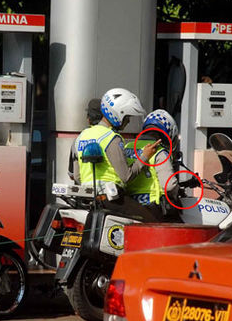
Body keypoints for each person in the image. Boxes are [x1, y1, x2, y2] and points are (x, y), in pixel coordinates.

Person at [72, 88, 161, 220]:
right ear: (118, 114)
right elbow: (126, 176)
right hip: (111, 199)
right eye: (127, 117)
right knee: (152, 222)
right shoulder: (112, 138)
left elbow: (77, 176)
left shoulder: (80, 137)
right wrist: (144, 157)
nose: (128, 121)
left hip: (87, 200)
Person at [124, 109, 180, 221]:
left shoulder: (128, 147)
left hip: (128, 205)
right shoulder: (159, 151)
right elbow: (169, 185)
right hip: (151, 208)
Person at [68, 98, 103, 182]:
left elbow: (74, 175)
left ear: (88, 118)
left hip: (85, 190)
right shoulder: (111, 136)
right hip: (108, 191)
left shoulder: (79, 139)